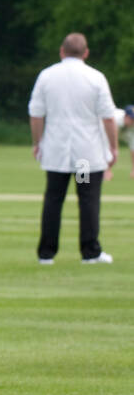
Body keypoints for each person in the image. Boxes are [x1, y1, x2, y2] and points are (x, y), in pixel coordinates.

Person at [29, 32, 120, 264]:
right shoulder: (95, 78)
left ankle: (46, 254)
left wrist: (37, 142)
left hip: (57, 152)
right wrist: (113, 147)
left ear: (62, 51)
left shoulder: (47, 76)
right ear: (86, 53)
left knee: (54, 199)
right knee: (88, 199)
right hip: (85, 155)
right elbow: (108, 117)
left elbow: (36, 114)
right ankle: (90, 252)